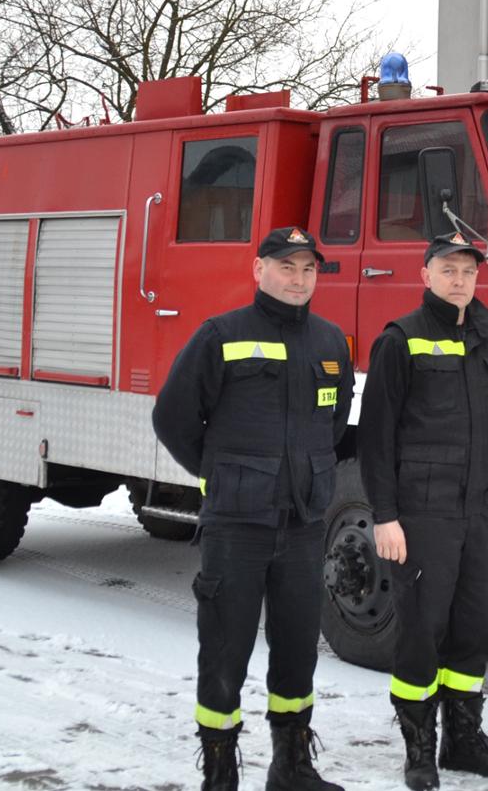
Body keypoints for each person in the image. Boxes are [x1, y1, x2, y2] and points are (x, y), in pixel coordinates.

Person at [151, 226, 350, 791]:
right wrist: (220, 474)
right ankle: (219, 773)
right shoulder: (221, 336)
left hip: (305, 526)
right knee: (224, 650)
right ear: (258, 270)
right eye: (286, 267)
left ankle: (291, 766)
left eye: (308, 269)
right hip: (237, 527)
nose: (298, 278)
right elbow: (173, 417)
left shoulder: (331, 342)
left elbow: (333, 424)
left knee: (297, 651)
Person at [359, 233, 488, 790]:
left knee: (475, 630)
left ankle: (463, 740)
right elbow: (376, 439)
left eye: (468, 271)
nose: (459, 279)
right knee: (422, 633)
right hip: (422, 515)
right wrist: (384, 515)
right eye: (448, 269)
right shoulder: (401, 340)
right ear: (425, 274)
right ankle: (420, 747)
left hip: (483, 513)